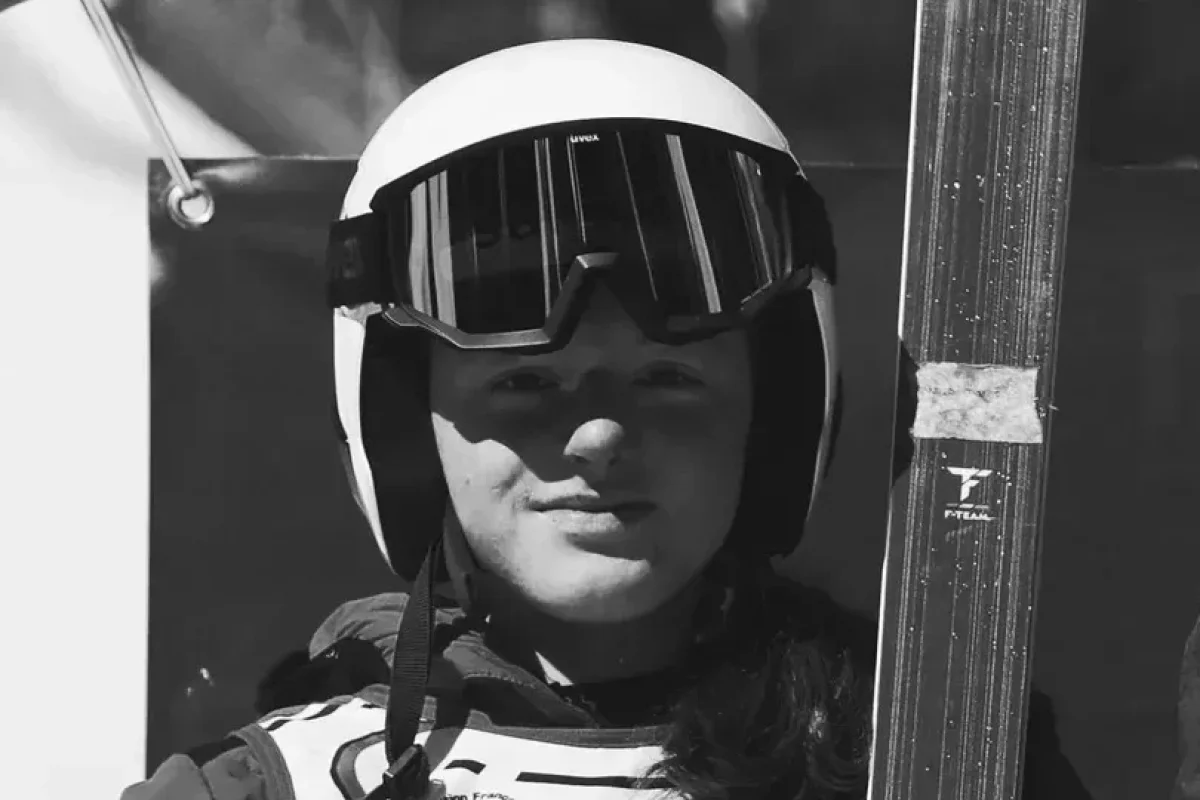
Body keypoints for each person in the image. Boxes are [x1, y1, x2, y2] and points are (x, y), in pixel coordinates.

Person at [123, 38, 1093, 800]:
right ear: (410, 429)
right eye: (525, 384)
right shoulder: (263, 787)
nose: (597, 439)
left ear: (771, 418)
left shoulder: (941, 753)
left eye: (667, 377)